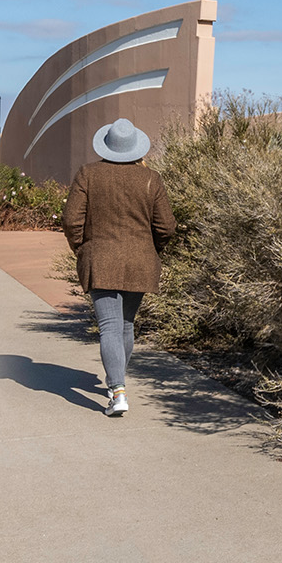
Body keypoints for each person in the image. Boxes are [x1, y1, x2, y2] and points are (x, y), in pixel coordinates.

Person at [63, 118, 178, 418]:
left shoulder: (88, 174)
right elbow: (166, 226)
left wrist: (81, 247)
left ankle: (118, 391)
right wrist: (151, 250)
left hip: (99, 259)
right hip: (140, 262)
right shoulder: (151, 178)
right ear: (135, 149)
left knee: (111, 327)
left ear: (107, 146)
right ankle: (118, 385)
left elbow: (71, 219)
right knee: (125, 325)